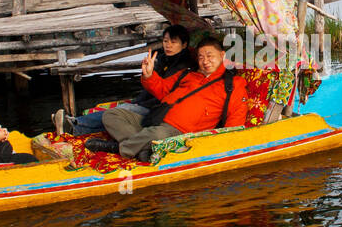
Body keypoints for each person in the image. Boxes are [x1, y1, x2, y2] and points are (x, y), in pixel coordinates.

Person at [88, 37, 248, 163]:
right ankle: (141, 149)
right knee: (111, 115)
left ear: (222, 55)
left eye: (210, 56)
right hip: (156, 118)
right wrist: (149, 75)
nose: (205, 61)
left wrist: (224, 146)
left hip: (179, 131)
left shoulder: (232, 84)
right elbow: (162, 89)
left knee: (157, 133)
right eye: (201, 57)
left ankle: (121, 148)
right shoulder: (188, 74)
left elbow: (235, 120)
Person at [56, 25, 193, 136]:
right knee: (120, 111)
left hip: (159, 108)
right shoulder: (162, 59)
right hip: (146, 102)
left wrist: (141, 103)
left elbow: (165, 93)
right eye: (165, 41)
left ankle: (75, 124)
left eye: (173, 42)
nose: (168, 45)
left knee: (119, 112)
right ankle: (75, 127)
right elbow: (149, 86)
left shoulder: (184, 67)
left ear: (184, 44)